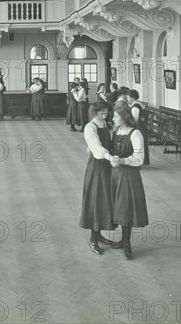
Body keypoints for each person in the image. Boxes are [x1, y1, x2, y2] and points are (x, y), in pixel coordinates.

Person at [109, 105, 149, 260]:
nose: (113, 119)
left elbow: (140, 158)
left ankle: (127, 244)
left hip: (128, 175)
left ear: (124, 118)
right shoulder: (116, 132)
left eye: (116, 117)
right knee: (117, 207)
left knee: (126, 208)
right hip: (114, 174)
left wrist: (124, 160)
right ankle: (122, 239)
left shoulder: (135, 133)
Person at [79, 102, 118, 254]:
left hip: (108, 166)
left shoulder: (106, 125)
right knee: (95, 200)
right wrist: (109, 156)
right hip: (97, 166)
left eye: (106, 112)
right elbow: (96, 147)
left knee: (105, 200)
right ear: (94, 113)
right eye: (101, 113)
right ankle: (93, 238)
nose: (104, 115)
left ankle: (99, 234)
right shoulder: (90, 127)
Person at [128, 89, 150, 166]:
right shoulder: (138, 104)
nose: (127, 99)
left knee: (138, 144)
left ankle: (139, 161)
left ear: (132, 97)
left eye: (128, 97)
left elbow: (135, 119)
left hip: (138, 127)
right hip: (140, 126)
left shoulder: (135, 107)